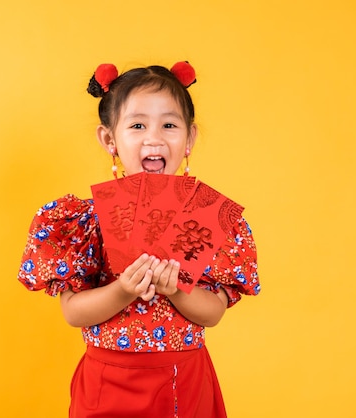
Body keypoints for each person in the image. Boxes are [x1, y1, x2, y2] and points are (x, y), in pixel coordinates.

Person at [17, 61, 260, 418]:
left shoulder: (205, 217)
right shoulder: (86, 220)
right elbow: (73, 311)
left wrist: (176, 288)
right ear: (109, 139)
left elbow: (214, 312)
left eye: (169, 125)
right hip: (107, 383)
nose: (154, 138)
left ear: (189, 138)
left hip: (184, 383)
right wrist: (123, 290)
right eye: (137, 125)